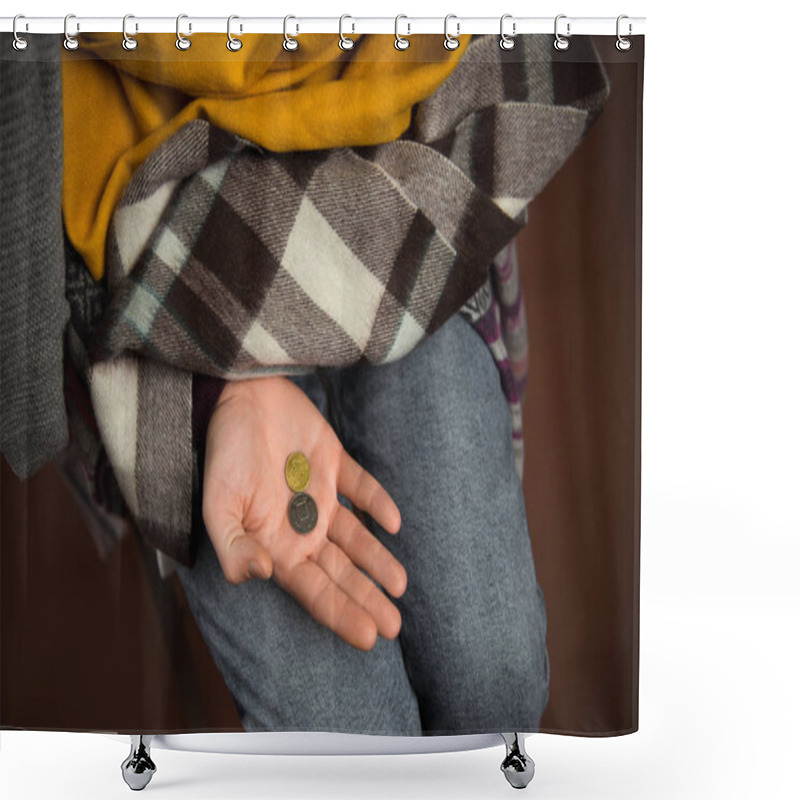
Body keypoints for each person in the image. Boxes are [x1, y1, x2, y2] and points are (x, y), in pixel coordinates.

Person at [173, 308, 550, 735]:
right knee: (353, 736)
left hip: (398, 274)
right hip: (188, 340)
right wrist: (217, 393)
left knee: (495, 690)